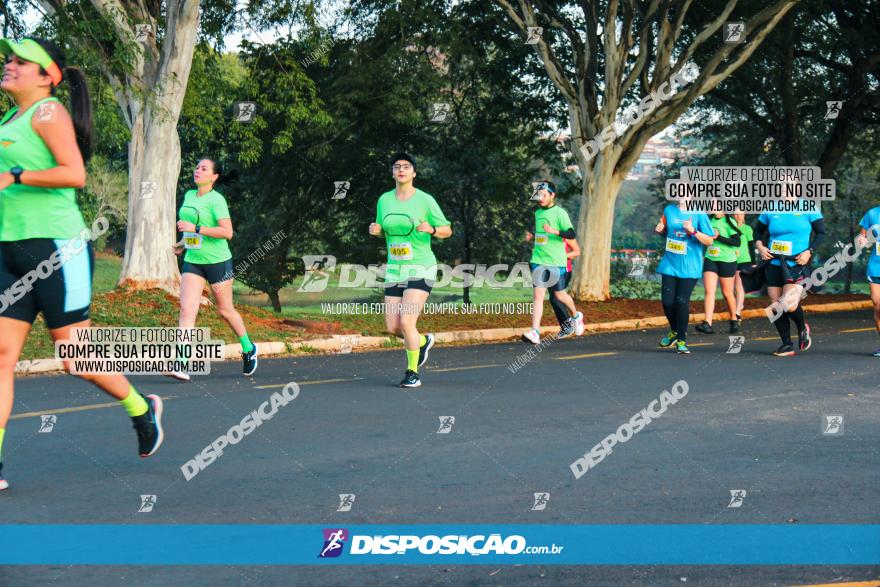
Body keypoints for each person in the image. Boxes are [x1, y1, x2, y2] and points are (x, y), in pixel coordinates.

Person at [0, 38, 163, 490]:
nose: (9, 65)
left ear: (47, 76)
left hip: (57, 249)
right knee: (1, 358)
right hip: (8, 252)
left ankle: (140, 407)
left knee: (74, 357)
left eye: (20, 61)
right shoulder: (9, 119)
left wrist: (14, 176)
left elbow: (74, 172)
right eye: (9, 59)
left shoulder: (48, 113)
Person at [168, 158, 258, 381]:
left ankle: (248, 348)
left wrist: (196, 227)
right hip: (194, 260)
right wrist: (182, 244)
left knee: (225, 311)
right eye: (197, 167)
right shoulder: (189, 196)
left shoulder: (217, 200)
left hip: (218, 262)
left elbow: (227, 232)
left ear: (214, 177)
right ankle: (181, 363)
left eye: (204, 169)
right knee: (187, 310)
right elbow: (190, 232)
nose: (198, 171)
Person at [369, 153, 452, 388]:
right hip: (395, 269)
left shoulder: (425, 200)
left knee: (407, 322)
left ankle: (412, 372)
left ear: (414, 173)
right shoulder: (384, 200)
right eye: (397, 167)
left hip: (421, 267)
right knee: (393, 327)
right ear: (392, 173)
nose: (401, 170)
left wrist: (433, 229)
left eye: (406, 167)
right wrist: (376, 230)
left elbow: (447, 230)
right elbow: (382, 228)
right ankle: (423, 341)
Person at [754, 207, 825, 356]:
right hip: (774, 263)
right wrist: (760, 247)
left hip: (795, 263)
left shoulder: (808, 207)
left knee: (788, 304)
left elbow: (821, 233)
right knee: (775, 306)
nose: (785, 187)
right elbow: (758, 232)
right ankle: (787, 344)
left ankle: (802, 327)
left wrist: (809, 251)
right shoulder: (771, 209)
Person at [522, 181, 584, 344]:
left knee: (559, 295)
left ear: (552, 195)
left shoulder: (560, 213)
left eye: (544, 195)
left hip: (556, 262)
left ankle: (576, 316)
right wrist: (533, 238)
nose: (540, 198)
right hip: (538, 260)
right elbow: (544, 239)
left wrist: (554, 231)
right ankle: (535, 332)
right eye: (538, 195)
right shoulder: (537, 214)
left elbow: (571, 234)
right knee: (538, 295)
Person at [654, 201, 716, 354]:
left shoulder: (699, 213)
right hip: (670, 263)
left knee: (681, 302)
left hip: (689, 266)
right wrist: (660, 230)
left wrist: (693, 231)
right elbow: (665, 229)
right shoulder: (669, 210)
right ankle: (675, 331)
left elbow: (710, 240)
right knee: (667, 302)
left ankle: (681, 340)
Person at [695, 213, 741, 334]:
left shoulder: (729, 221)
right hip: (710, 258)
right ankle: (707, 323)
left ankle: (733, 319)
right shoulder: (708, 220)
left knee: (727, 292)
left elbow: (737, 242)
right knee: (709, 291)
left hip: (727, 260)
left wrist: (719, 237)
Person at [856, 205, 880, 356]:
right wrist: (862, 240)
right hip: (876, 267)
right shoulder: (872, 213)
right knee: (878, 308)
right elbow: (862, 235)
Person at [732, 211, 755, 325]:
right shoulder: (729, 227)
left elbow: (751, 246)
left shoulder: (747, 229)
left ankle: (737, 312)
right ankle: (739, 305)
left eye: (740, 214)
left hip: (744, 261)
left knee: (739, 287)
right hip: (730, 260)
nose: (738, 216)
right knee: (732, 289)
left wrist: (753, 262)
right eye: (736, 214)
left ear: (744, 215)